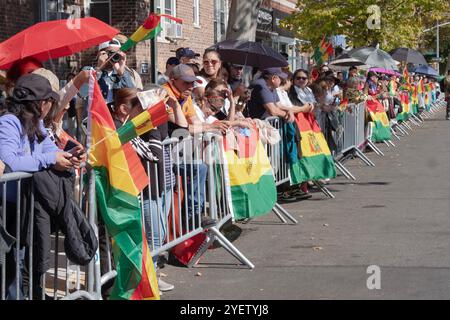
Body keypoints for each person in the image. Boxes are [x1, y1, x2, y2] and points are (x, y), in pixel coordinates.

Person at [0, 74, 84, 300]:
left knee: (28, 260)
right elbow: (10, 162)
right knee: (12, 265)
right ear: (40, 103)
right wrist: (50, 159)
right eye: (49, 101)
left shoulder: (36, 123)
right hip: (9, 206)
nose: (50, 106)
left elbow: (48, 150)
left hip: (29, 204)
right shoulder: (8, 122)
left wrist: (67, 155)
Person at [112, 88, 176, 292]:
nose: (146, 112)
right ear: (124, 109)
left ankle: (151, 275)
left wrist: (158, 113)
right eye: (142, 107)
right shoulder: (119, 129)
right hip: (139, 192)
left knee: (156, 235)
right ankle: (146, 279)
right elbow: (154, 153)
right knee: (151, 236)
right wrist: (152, 123)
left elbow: (164, 134)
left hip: (154, 186)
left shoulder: (140, 126)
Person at [96, 38, 135, 105]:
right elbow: (84, 93)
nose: (114, 56)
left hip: (114, 113)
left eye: (117, 53)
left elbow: (132, 95)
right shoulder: (89, 71)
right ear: (100, 54)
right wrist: (99, 68)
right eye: (111, 53)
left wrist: (121, 73)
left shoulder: (123, 73)